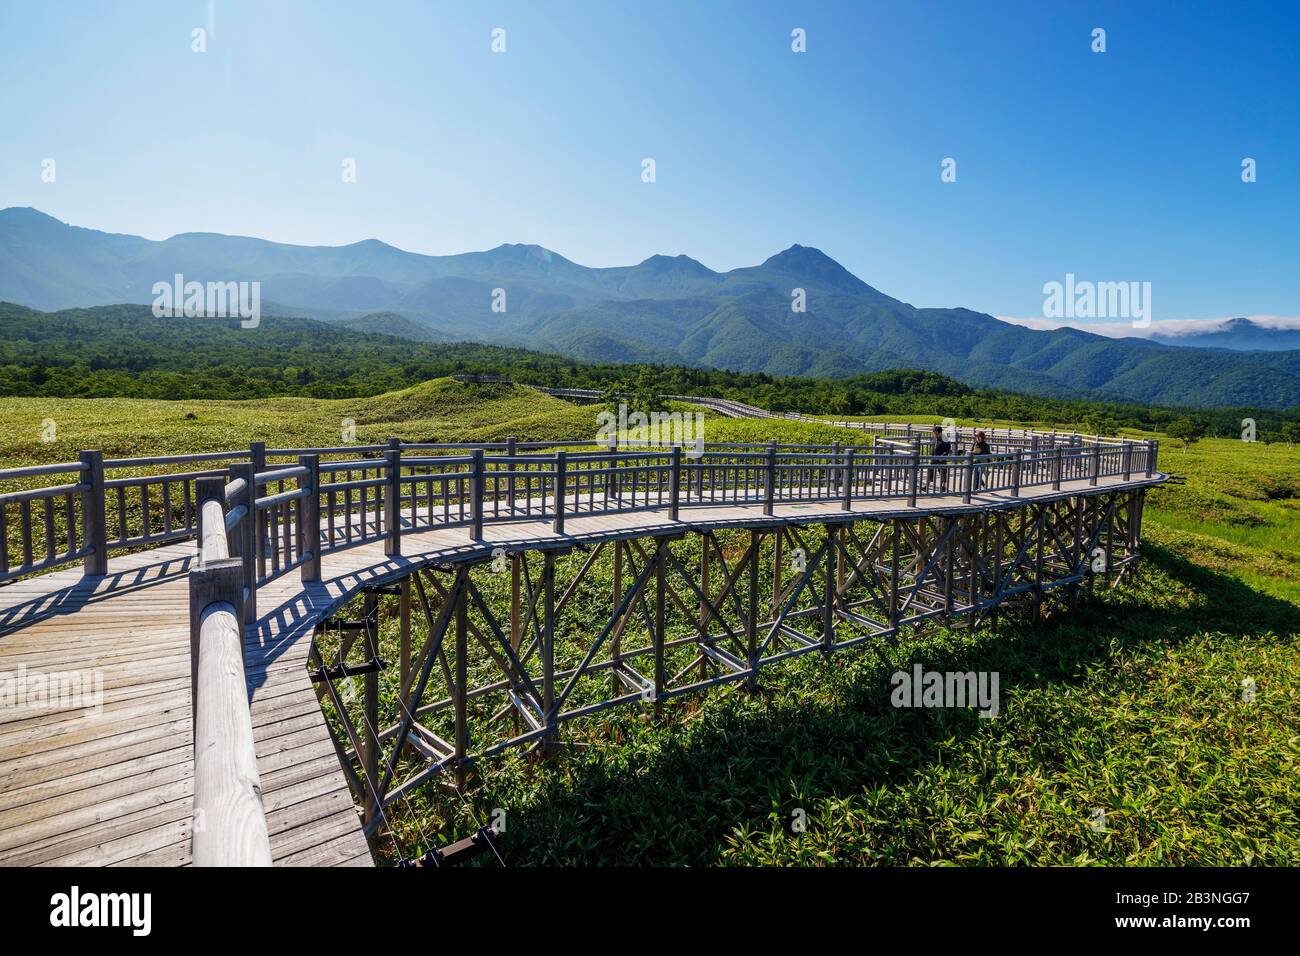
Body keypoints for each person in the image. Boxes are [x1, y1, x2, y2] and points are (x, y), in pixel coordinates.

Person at [927, 424, 952, 491]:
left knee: (943, 472)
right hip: (933, 458)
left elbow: (947, 450)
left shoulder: (945, 439)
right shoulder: (934, 438)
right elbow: (931, 446)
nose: (934, 433)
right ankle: (927, 485)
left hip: (941, 459)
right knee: (930, 471)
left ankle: (943, 486)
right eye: (934, 432)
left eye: (935, 432)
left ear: (939, 432)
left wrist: (943, 456)